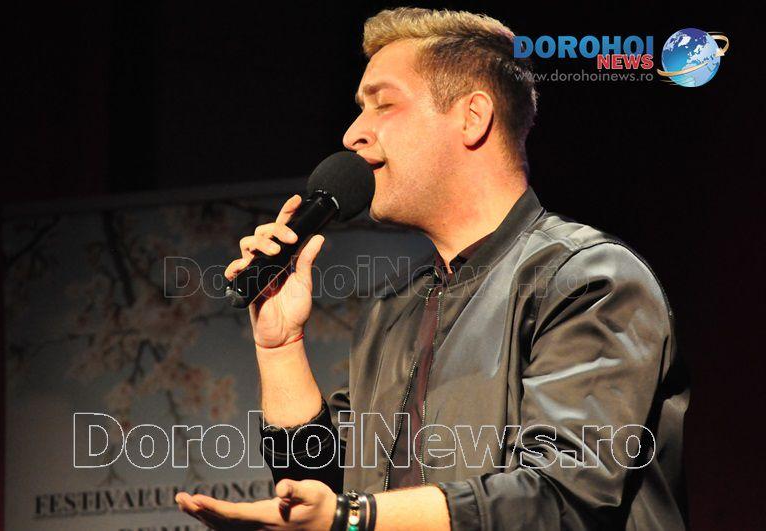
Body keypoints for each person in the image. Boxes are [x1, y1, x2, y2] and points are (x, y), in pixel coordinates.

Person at [176, 7, 688, 530]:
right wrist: (280, 348)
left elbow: (560, 498)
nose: (353, 134)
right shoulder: (392, 312)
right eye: (359, 109)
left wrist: (353, 517)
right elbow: (326, 494)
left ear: (472, 117)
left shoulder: (587, 279)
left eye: (383, 104)